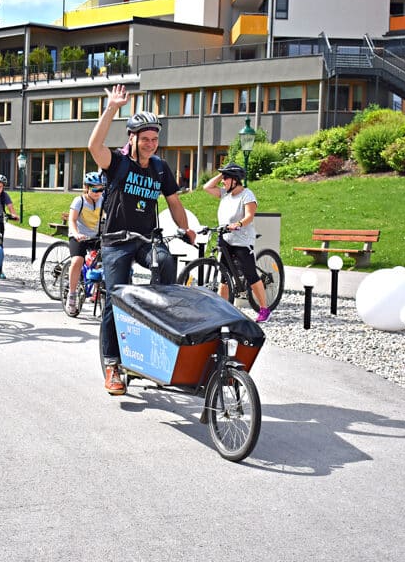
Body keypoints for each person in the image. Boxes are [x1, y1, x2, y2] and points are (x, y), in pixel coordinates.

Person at [88, 84, 196, 396]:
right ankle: (112, 364)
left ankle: (153, 326)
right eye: (145, 139)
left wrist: (186, 228)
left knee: (165, 261)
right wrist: (111, 109)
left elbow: (174, 203)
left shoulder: (161, 169)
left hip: (146, 238)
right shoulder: (119, 163)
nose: (151, 144)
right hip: (116, 240)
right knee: (115, 297)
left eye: (155, 139)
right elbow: (94, 146)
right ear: (132, 138)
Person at [201, 162, 271, 322]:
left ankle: (264, 309)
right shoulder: (225, 193)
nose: (222, 181)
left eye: (226, 178)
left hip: (242, 241)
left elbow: (249, 216)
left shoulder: (247, 195)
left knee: (251, 274)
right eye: (223, 178)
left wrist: (238, 224)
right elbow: (206, 187)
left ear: (235, 180)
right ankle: (222, 311)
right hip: (226, 239)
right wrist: (222, 173)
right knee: (224, 277)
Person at [64, 172, 105, 315]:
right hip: (79, 236)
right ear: (86, 188)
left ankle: (99, 293)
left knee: (107, 259)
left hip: (95, 237)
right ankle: (72, 294)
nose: (98, 193)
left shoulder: (102, 200)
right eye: (94, 189)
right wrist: (76, 234)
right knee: (77, 261)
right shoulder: (79, 201)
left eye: (101, 189)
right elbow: (72, 220)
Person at [0, 174, 18, 240]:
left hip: (0, 220)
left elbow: (10, 207)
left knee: (0, 240)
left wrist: (14, 215)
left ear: (3, 188)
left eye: (0, 187)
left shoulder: (4, 195)